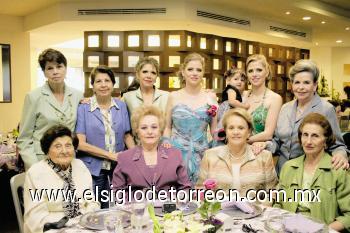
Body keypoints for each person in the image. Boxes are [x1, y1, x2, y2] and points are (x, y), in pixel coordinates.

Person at [260, 59, 348, 174]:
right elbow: (277, 142)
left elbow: (337, 145)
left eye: (306, 83)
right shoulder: (285, 108)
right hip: (282, 172)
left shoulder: (326, 109)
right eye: (297, 82)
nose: (301, 87)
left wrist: (341, 155)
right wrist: (265, 145)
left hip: (311, 173)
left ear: (315, 85)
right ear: (292, 85)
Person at [274, 113, 350, 232]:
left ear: (326, 140)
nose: (308, 141)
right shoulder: (288, 167)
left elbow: (348, 216)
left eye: (315, 136)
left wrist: (323, 230)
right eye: (305, 135)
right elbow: (278, 204)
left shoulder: (337, 170)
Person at [75, 65, 135, 208]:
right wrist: (110, 155)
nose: (103, 85)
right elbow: (80, 143)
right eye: (98, 81)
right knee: (97, 208)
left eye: (107, 81)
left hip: (119, 166)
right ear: (93, 86)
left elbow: (127, 135)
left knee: (122, 205)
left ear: (113, 84)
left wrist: (136, 157)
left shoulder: (121, 105)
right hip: (93, 168)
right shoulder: (83, 108)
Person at [23, 125, 99, 233]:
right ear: (47, 150)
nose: (64, 151)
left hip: (82, 224)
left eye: (68, 145)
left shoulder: (80, 166)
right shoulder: (36, 173)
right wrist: (68, 225)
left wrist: (88, 217)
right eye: (57, 146)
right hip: (51, 228)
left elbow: (91, 201)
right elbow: (35, 217)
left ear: (74, 148)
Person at [17, 48, 83, 170]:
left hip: (68, 160)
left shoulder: (78, 95)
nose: (55, 72)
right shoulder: (33, 97)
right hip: (41, 160)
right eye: (50, 68)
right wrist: (34, 167)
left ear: (65, 68)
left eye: (59, 66)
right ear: (44, 72)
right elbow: (24, 138)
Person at [163, 53, 218, 184]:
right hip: (176, 153)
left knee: (201, 195)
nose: (195, 73)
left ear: (203, 73)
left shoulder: (210, 97)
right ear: (183, 72)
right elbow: (167, 127)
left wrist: (216, 155)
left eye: (199, 70)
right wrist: (166, 145)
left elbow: (214, 130)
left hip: (203, 154)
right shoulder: (173, 96)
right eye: (190, 69)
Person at [197, 108, 277, 196]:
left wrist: (259, 208)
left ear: (249, 132)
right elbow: (200, 190)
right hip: (219, 209)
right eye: (231, 128)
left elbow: (272, 193)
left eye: (241, 128)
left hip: (255, 209)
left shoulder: (264, 156)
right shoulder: (210, 156)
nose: (235, 132)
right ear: (226, 131)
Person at [112, 106, 191, 194]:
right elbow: (117, 192)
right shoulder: (124, 158)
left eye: (154, 127)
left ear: (160, 130)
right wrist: (133, 206)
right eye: (144, 128)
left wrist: (177, 203)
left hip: (169, 206)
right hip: (136, 206)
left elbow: (185, 188)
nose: (149, 132)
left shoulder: (175, 154)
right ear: (137, 131)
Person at [242, 54, 282, 143]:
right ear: (247, 75)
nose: (254, 74)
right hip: (237, 147)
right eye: (250, 71)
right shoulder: (243, 95)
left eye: (259, 70)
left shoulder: (275, 98)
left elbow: (268, 134)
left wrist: (242, 141)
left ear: (266, 72)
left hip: (259, 150)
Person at [215, 68, 249, 142]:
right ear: (228, 81)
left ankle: (225, 134)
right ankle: (221, 133)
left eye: (242, 80)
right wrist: (245, 106)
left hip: (228, 109)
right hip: (227, 109)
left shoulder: (238, 92)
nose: (239, 81)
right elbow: (232, 102)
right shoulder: (231, 90)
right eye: (236, 79)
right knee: (225, 121)